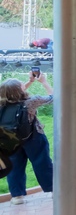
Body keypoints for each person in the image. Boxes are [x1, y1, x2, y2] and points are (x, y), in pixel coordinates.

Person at [1, 73, 53, 203]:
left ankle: (17, 196)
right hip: (33, 137)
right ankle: (54, 189)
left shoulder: (2, 104)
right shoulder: (31, 102)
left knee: (14, 167)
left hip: (10, 141)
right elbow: (53, 98)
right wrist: (44, 82)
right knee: (42, 163)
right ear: (20, 90)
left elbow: (13, 93)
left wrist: (30, 82)